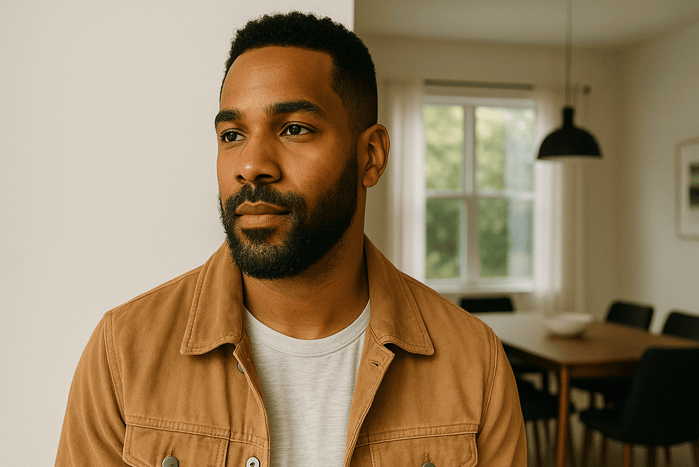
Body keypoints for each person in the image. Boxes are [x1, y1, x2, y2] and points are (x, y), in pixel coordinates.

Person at [55, 11, 526, 467]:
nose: (251, 164)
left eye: (294, 129)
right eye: (232, 134)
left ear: (371, 156)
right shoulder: (123, 352)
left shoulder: (473, 363)